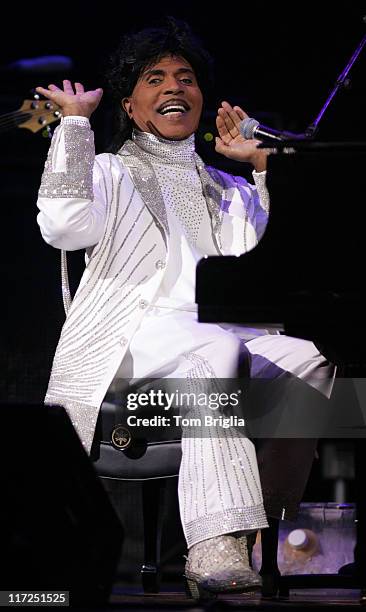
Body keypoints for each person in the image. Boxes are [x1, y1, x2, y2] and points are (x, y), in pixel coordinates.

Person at [35, 17, 335, 599]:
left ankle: (251, 528)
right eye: (156, 78)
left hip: (217, 334)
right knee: (214, 347)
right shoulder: (108, 170)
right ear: (130, 101)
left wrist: (262, 166)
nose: (175, 87)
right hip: (130, 339)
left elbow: (277, 261)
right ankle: (212, 547)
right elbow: (64, 227)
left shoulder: (229, 189)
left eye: (187, 77)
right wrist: (74, 127)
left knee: (310, 357)